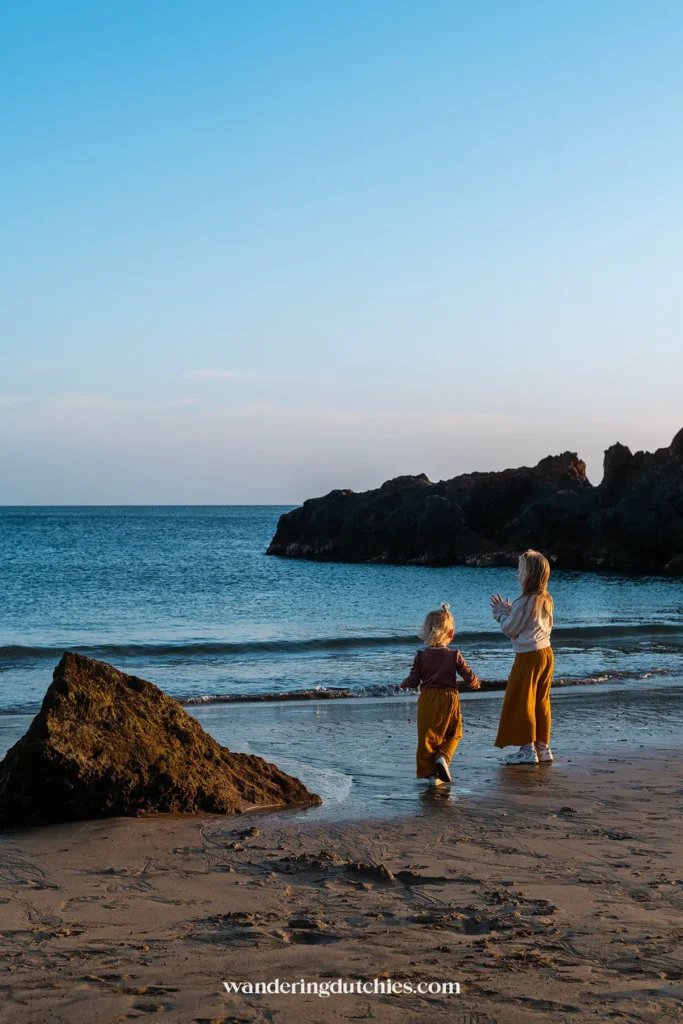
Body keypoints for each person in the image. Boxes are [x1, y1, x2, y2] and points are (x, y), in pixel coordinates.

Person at [401, 603, 481, 786]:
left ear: (426, 632)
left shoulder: (421, 656)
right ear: (450, 633)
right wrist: (475, 683)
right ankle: (443, 757)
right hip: (449, 698)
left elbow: (413, 681)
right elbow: (468, 675)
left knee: (428, 738)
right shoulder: (454, 655)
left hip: (427, 699)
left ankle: (431, 776)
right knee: (454, 733)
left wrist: (405, 683)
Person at [491, 549, 555, 764]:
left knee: (523, 700)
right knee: (541, 701)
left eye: (521, 570)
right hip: (546, 653)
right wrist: (511, 611)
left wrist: (501, 612)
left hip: (528, 656)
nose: (519, 574)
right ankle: (543, 747)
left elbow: (510, 629)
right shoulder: (546, 599)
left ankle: (528, 749)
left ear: (528, 575)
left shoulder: (524, 601)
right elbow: (532, 624)